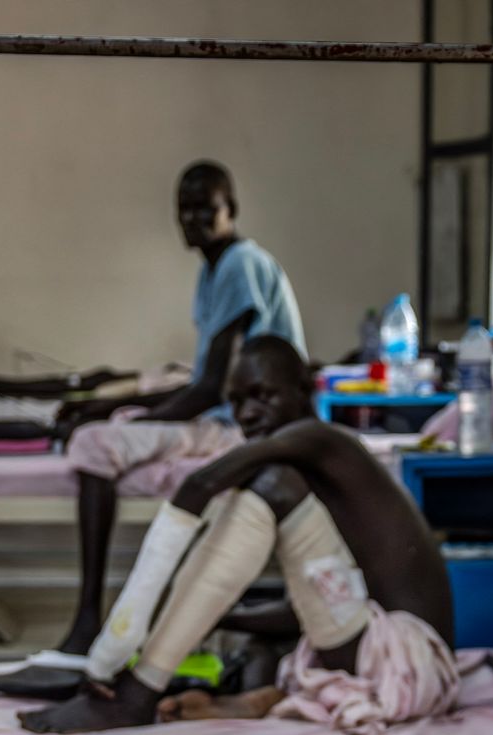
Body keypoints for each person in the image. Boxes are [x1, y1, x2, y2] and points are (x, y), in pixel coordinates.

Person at [14, 336, 456, 735]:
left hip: (407, 665)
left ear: (303, 390)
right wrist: (219, 616)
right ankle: (238, 698)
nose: (246, 414)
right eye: (237, 401)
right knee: (256, 647)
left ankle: (139, 692)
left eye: (263, 395)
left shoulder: (319, 440)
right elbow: (318, 603)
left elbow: (200, 486)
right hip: (385, 652)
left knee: (268, 485)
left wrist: (121, 638)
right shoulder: (313, 471)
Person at [50, 161, 305, 657]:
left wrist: (132, 417)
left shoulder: (239, 265)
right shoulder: (215, 269)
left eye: (205, 209)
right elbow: (202, 380)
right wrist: (118, 407)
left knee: (95, 443)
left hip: (243, 425)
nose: (192, 220)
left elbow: (211, 389)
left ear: (231, 209)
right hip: (222, 414)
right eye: (184, 210)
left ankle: (86, 618)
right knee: (111, 418)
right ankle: (91, 621)